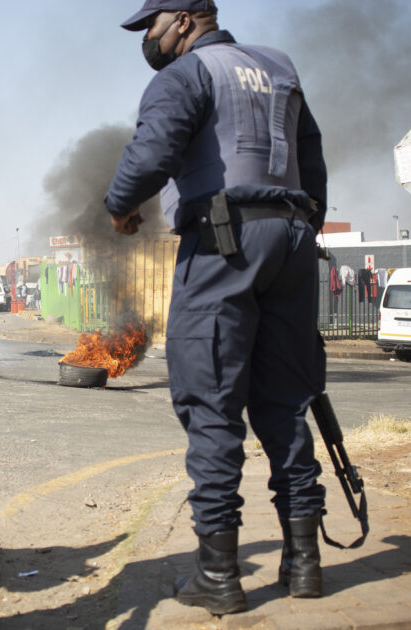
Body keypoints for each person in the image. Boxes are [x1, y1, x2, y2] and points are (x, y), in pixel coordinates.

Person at [107, 0, 328, 615]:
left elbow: (151, 154)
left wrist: (120, 205)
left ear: (182, 19)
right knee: (287, 399)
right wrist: (302, 225)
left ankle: (219, 576)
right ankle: (304, 565)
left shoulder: (183, 75)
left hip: (224, 241)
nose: (148, 39)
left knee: (211, 402)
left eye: (150, 25)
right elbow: (312, 163)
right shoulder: (279, 66)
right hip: (292, 238)